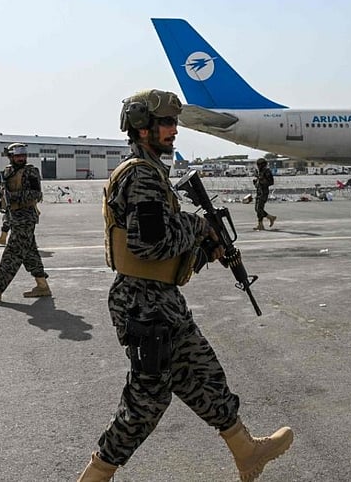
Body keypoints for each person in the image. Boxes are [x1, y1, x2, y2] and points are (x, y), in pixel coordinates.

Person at [77, 89, 293, 482]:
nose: (174, 130)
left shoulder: (150, 172)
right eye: (166, 123)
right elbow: (150, 244)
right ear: (142, 127)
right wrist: (198, 227)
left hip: (160, 299)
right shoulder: (141, 177)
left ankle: (246, 453)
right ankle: (95, 476)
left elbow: (156, 247)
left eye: (174, 123)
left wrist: (203, 250)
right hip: (144, 304)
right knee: (147, 400)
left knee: (204, 374)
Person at [0, 143, 51, 301]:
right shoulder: (6, 172)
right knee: (30, 254)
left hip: (26, 218)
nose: (21, 158)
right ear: (11, 156)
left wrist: (14, 196)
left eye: (23, 155)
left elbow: (36, 193)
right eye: (17, 155)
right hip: (13, 218)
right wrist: (1, 192)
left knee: (12, 254)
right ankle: (42, 286)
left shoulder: (31, 171)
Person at [252, 158, 276, 230]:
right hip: (259, 191)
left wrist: (261, 179)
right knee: (257, 209)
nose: (258, 166)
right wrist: (256, 181)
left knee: (259, 208)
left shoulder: (267, 171)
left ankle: (260, 224)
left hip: (264, 192)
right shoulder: (260, 171)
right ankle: (270, 217)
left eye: (258, 164)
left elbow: (271, 182)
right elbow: (259, 181)